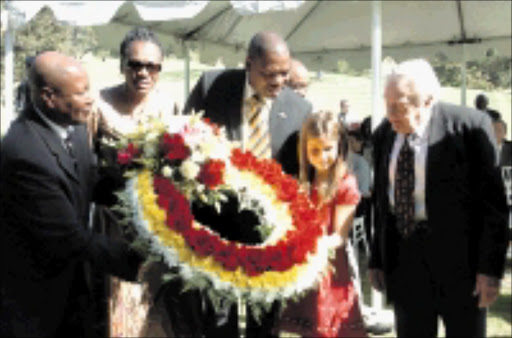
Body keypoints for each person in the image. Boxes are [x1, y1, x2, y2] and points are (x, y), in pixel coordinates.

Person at [175, 31, 312, 338]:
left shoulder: (300, 110)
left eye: (284, 73)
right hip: (214, 226)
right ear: (249, 63)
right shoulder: (213, 86)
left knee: (262, 323)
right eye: (269, 74)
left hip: (267, 235)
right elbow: (185, 141)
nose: (278, 82)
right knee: (215, 320)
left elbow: (301, 176)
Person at [0, 51, 143, 337]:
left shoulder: (73, 126)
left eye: (89, 88)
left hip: (73, 288)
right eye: (81, 93)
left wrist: (149, 202)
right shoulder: (24, 153)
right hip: (34, 302)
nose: (91, 99)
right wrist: (143, 265)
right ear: (48, 97)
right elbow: (71, 238)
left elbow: (94, 183)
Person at [368, 59, 508, 337]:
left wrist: (490, 270)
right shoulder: (385, 133)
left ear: (429, 100)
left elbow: (493, 205)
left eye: (401, 105)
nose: (390, 113)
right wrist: (377, 258)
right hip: (405, 261)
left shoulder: (469, 128)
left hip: (460, 264)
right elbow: (382, 202)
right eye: (387, 103)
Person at [88, 27, 177, 337]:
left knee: (151, 302)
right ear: (122, 65)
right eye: (135, 64)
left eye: (151, 66)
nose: (143, 72)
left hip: (155, 224)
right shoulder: (98, 105)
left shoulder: (169, 107)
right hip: (110, 222)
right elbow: (86, 165)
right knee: (112, 304)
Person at [274, 110, 367, 337]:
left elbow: (339, 236)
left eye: (327, 149)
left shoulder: (345, 184)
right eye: (314, 150)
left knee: (328, 327)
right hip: (305, 265)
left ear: (339, 146)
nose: (322, 156)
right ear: (304, 150)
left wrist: (312, 246)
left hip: (330, 267)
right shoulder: (305, 181)